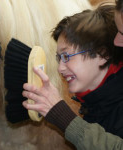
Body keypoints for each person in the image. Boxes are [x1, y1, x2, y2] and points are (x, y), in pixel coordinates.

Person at [22, 3, 123, 150]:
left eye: (66, 56)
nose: (60, 68)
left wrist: (62, 115)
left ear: (103, 54)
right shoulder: (94, 105)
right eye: (59, 58)